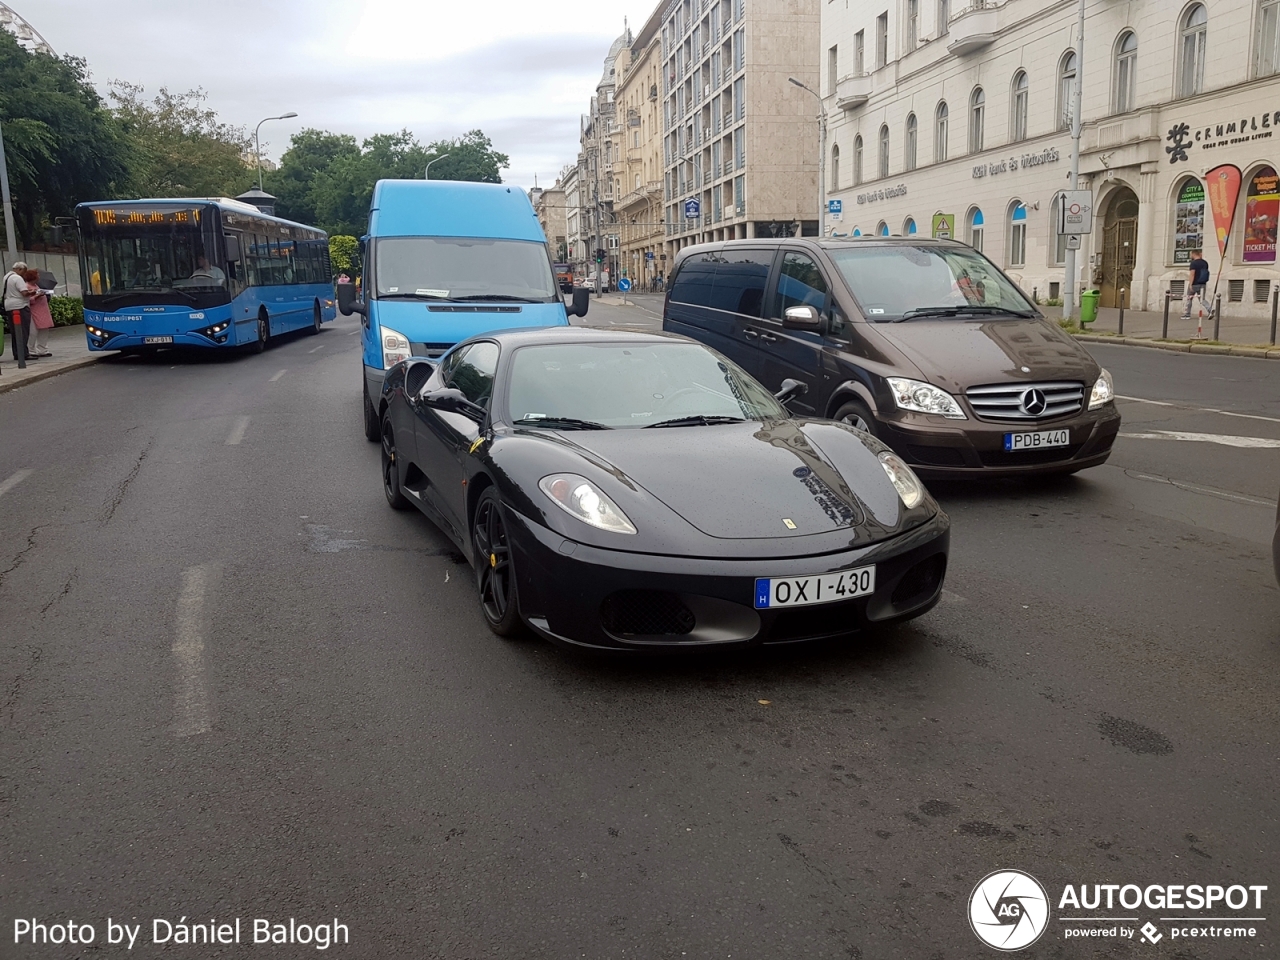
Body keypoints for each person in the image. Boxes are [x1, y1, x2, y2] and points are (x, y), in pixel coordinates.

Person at [3, 260, 33, 365]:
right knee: (23, 331)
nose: (24, 274)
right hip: (20, 306)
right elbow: (24, 293)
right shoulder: (17, 278)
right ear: (19, 269)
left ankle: (17, 353)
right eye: (24, 272)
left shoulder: (6, 277)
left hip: (9, 306)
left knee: (14, 332)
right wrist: (34, 292)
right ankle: (24, 353)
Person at [23, 268, 54, 357]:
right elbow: (28, 300)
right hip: (34, 311)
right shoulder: (27, 287)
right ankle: (31, 350)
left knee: (44, 330)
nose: (39, 277)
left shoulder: (37, 285)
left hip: (43, 310)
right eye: (37, 276)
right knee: (33, 331)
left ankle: (43, 349)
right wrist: (37, 296)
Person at [1183, 248, 1211, 320]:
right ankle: (1210, 310)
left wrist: (1190, 284)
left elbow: (1192, 274)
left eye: (1191, 254)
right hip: (1203, 283)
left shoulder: (1194, 263)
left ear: (1193, 254)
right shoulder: (1205, 263)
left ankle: (1187, 314)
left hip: (1195, 283)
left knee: (1189, 298)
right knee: (1202, 299)